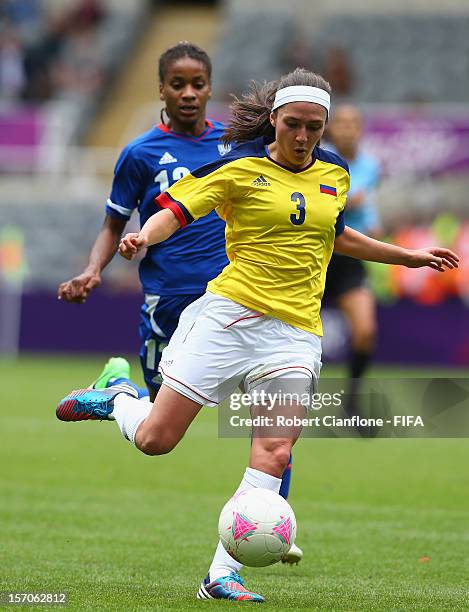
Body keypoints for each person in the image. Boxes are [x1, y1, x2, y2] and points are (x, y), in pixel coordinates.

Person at [56, 68, 458, 603]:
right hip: (227, 318)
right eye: (293, 124)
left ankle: (221, 574)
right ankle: (118, 399)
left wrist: (406, 255)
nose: (302, 137)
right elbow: (175, 210)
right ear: (273, 120)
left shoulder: (335, 173)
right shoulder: (239, 167)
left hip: (293, 334)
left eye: (314, 128)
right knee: (157, 440)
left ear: (325, 127)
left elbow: (336, 234)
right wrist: (141, 238)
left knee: (274, 452)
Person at [56, 41, 302, 563]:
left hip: (234, 297)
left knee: (276, 415)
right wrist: (92, 269)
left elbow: (294, 146)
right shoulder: (140, 153)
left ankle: (271, 520)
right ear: (161, 89)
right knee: (157, 431)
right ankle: (118, 393)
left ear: (211, 87)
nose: (189, 94)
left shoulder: (238, 146)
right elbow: (113, 224)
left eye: (198, 84)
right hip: (169, 299)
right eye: (178, 84)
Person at [323, 104, 381, 422]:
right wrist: (346, 201)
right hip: (316, 256)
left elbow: (367, 203)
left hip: (351, 257)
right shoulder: (321, 159)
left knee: (365, 331)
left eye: (352, 124)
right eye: (340, 124)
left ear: (360, 129)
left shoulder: (371, 166)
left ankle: (352, 406)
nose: (346, 129)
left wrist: (374, 222)